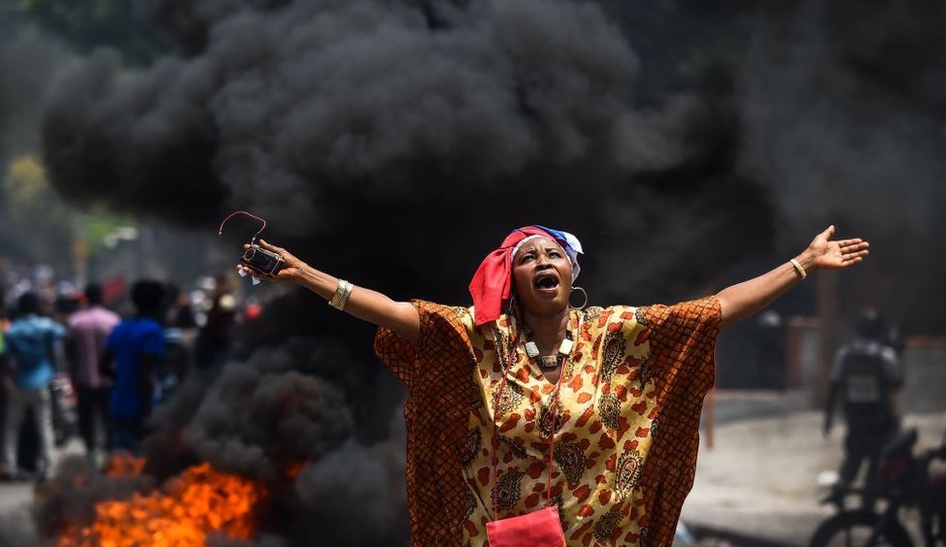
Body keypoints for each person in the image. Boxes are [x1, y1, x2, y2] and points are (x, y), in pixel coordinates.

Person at [240, 224, 869, 546]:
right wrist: (306, 275)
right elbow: (393, 312)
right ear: (511, 281)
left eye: (553, 254)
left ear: (572, 270)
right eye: (527, 257)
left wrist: (801, 265)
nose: (542, 261)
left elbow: (717, 309)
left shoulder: (618, 333)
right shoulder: (479, 338)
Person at [823, 309, 901, 509]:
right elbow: (892, 390)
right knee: (876, 462)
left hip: (855, 418)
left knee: (853, 457)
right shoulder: (886, 355)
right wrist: (896, 420)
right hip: (879, 420)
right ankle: (868, 505)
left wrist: (828, 417)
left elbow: (834, 385)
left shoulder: (845, 353)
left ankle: (841, 491)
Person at [1, 292, 65, 480]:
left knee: (12, 428)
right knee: (44, 426)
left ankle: (10, 467)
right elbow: (58, 347)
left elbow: (7, 358)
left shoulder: (13, 330)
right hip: (42, 383)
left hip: (20, 383)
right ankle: (49, 468)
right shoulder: (47, 327)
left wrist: (7, 379)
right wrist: (57, 377)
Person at [101, 280, 166, 454]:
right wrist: (148, 414)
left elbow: (102, 365)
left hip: (118, 406)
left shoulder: (120, 328)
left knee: (122, 462)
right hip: (139, 410)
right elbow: (145, 374)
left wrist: (122, 380)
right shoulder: (152, 331)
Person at [66, 282, 121, 463]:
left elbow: (70, 352)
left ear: (86, 298)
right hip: (109, 379)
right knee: (109, 419)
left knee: (86, 419)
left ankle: (90, 451)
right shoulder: (113, 320)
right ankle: (110, 455)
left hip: (83, 378)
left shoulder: (75, 321)